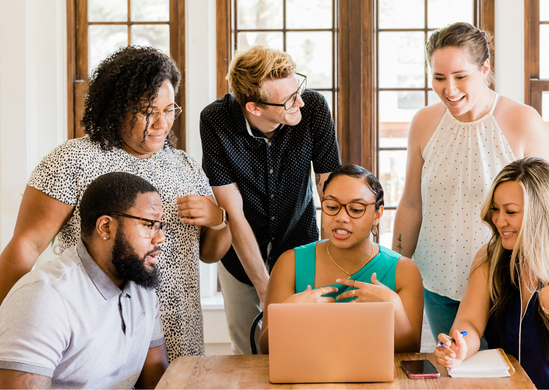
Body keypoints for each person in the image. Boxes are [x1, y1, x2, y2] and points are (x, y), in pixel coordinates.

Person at [0, 46, 231, 361]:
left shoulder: (185, 166)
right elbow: (25, 245)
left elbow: (210, 253)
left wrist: (218, 220)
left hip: (179, 331)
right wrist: (6, 322)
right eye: (150, 111)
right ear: (117, 107)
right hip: (102, 333)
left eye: (170, 110)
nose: (163, 123)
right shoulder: (73, 159)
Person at [392, 22, 549, 342]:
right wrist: (396, 268)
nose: (449, 89)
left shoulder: (523, 121)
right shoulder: (424, 123)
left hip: (505, 285)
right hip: (437, 285)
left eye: (460, 76)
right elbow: (412, 202)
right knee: (456, 372)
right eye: (439, 78)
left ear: (485, 68)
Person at [200, 45, 341, 354]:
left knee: (304, 346)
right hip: (239, 254)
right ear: (254, 107)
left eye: (298, 89)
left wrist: (336, 265)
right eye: (288, 99)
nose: (299, 102)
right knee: (249, 349)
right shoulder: (215, 121)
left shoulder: (313, 108)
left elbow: (331, 193)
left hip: (299, 241)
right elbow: (232, 211)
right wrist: (265, 290)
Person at [434, 157, 549, 389]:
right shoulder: (489, 258)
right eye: (495, 210)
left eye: (511, 212)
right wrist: (460, 345)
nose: (499, 221)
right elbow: (469, 322)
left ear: (543, 213)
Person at [0, 172, 169, 389]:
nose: (161, 237)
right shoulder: (45, 297)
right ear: (105, 227)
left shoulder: (142, 290)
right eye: (148, 224)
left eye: (160, 225)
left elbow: (157, 384)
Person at [259, 164, 423, 354]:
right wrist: (288, 315)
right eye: (332, 207)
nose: (341, 217)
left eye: (355, 209)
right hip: (307, 377)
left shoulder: (404, 271)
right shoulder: (290, 263)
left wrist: (393, 307)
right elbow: (265, 350)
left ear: (377, 214)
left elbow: (410, 352)